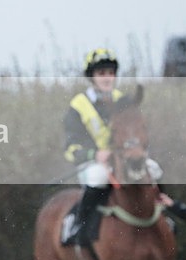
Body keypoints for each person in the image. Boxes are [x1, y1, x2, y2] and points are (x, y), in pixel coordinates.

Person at [62, 48, 162, 244]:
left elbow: (137, 130)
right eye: (101, 74)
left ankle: (163, 217)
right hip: (94, 163)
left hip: (123, 159)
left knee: (154, 169)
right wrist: (95, 154)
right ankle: (78, 225)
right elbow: (71, 148)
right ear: (92, 77)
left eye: (110, 73)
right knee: (98, 177)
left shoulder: (122, 100)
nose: (107, 78)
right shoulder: (78, 105)